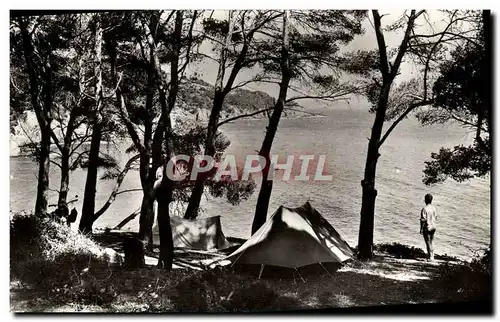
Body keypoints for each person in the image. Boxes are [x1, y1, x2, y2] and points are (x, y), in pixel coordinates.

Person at [420, 193, 437, 261]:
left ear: (425, 200)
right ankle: (432, 255)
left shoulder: (424, 209)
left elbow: (423, 220)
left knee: (427, 241)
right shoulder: (434, 208)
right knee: (432, 241)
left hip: (427, 226)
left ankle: (430, 257)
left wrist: (421, 228)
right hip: (433, 226)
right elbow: (436, 217)